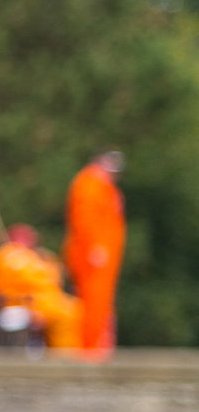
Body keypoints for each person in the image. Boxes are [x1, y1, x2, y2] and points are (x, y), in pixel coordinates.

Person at [62, 150, 124, 361]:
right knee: (93, 301)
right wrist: (94, 247)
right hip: (92, 254)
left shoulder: (103, 185)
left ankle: (98, 345)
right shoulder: (89, 183)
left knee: (102, 303)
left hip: (103, 253)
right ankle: (90, 347)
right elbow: (84, 218)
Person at [0, 223, 82, 350]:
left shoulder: (36, 256)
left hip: (46, 302)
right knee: (66, 315)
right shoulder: (9, 256)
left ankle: (67, 353)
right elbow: (17, 285)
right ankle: (62, 356)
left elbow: (55, 279)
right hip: (25, 304)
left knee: (75, 308)